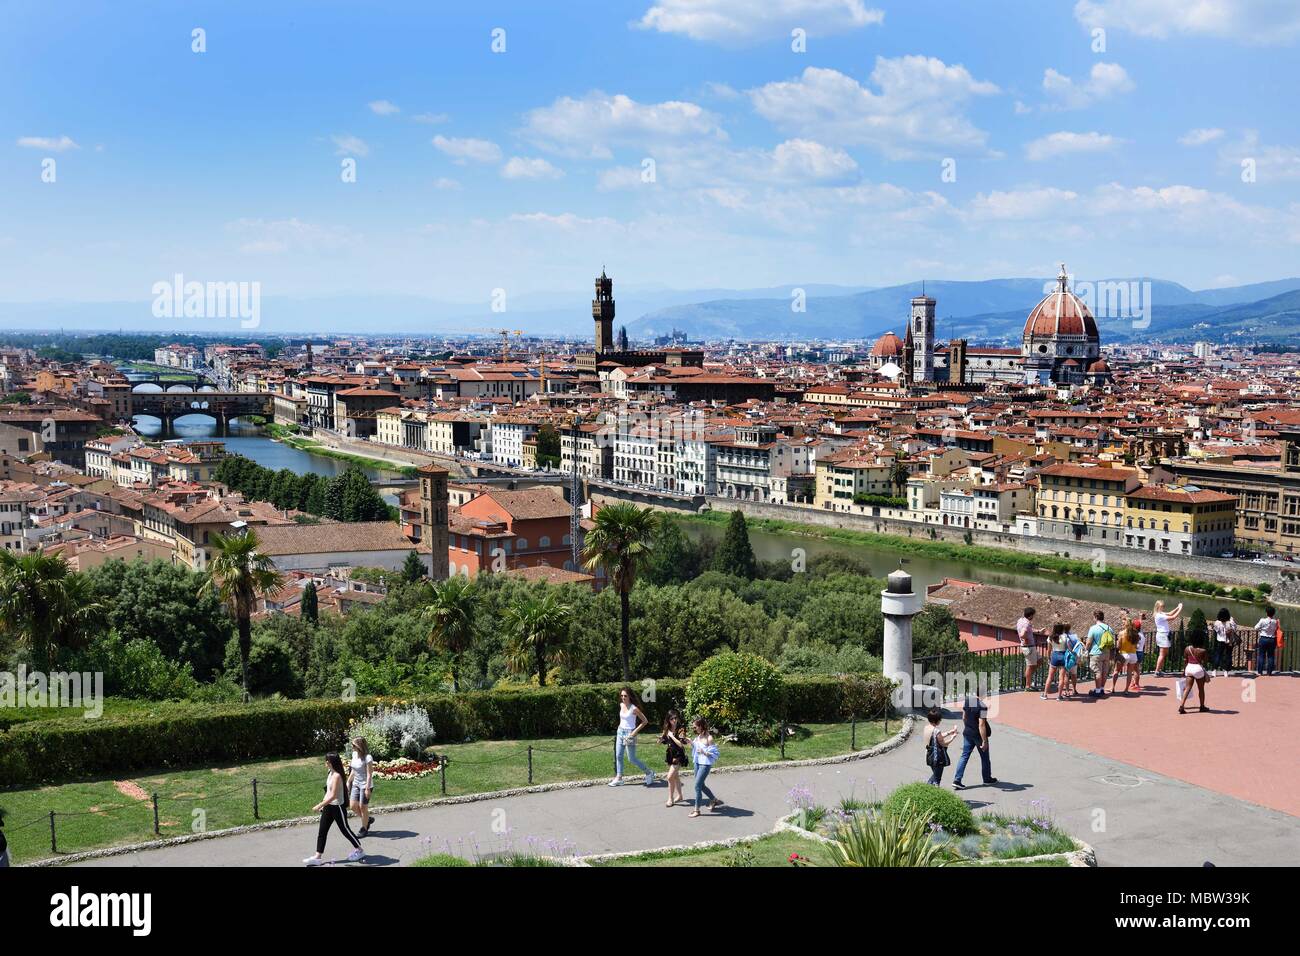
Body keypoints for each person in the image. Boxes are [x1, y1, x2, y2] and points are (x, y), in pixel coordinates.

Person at [304, 753, 364, 866]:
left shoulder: (337, 776)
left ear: (331, 762)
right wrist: (324, 805)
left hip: (337, 807)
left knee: (345, 830)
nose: (325, 762)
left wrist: (319, 805)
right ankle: (317, 857)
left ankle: (360, 850)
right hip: (328, 807)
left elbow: (334, 796)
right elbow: (328, 792)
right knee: (322, 831)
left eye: (327, 761)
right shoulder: (330, 773)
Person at [609, 687, 654, 787]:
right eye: (622, 696)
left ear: (629, 696)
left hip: (630, 734)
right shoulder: (621, 705)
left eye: (625, 696)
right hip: (620, 732)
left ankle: (649, 772)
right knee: (618, 756)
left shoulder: (634, 708)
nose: (623, 698)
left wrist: (634, 733)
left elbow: (645, 721)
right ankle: (619, 778)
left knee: (632, 759)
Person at [952, 694, 996, 790]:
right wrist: (984, 741)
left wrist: (968, 727)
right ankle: (987, 779)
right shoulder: (983, 707)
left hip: (967, 733)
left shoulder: (968, 701)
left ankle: (957, 780)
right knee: (984, 757)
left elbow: (964, 717)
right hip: (978, 736)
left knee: (964, 756)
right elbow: (981, 724)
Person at [688, 717, 722, 817]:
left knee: (697, 786)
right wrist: (690, 742)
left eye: (695, 726)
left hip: (705, 765)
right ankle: (714, 800)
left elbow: (715, 753)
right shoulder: (698, 736)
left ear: (701, 726)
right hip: (697, 763)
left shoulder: (709, 738)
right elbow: (696, 747)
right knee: (701, 785)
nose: (694, 728)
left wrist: (704, 752)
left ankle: (697, 810)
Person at [659, 709, 690, 807]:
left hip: (678, 755)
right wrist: (660, 740)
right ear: (668, 720)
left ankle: (670, 798)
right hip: (670, 755)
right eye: (672, 718)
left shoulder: (681, 729)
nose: (674, 720)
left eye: (675, 718)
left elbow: (681, 744)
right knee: (675, 776)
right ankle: (680, 796)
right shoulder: (667, 729)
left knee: (669, 777)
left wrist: (672, 736)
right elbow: (664, 740)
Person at [348, 736, 375, 837]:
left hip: (365, 785)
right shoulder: (354, 754)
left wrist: (367, 789)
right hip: (356, 783)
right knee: (353, 806)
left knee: (362, 807)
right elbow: (354, 770)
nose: (352, 747)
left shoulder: (367, 758)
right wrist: (348, 781)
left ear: (359, 746)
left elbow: (369, 774)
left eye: (354, 745)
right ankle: (367, 819)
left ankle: (364, 828)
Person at [1085, 610, 1116, 697]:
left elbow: (1088, 642)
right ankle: (1102, 688)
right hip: (1107, 652)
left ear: (1095, 617)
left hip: (1096, 653)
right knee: (1104, 672)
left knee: (1097, 672)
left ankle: (1098, 690)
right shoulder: (1109, 628)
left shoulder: (1093, 628)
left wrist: (1086, 650)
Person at [924, 708, 958, 785]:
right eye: (939, 719)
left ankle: (927, 789)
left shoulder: (927, 728)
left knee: (935, 776)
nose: (940, 721)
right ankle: (932, 792)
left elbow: (937, 737)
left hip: (929, 755)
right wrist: (952, 738)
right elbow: (944, 744)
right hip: (937, 757)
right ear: (936, 720)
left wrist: (949, 732)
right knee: (937, 779)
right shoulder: (936, 731)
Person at [1016, 607, 1047, 692]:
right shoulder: (1027, 623)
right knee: (1030, 666)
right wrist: (1025, 639)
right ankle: (1028, 685)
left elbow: (1028, 630)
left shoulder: (1020, 620)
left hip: (1029, 646)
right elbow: (1023, 634)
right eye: (1033, 615)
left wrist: (1038, 631)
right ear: (1030, 615)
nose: (1034, 616)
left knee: (1040, 660)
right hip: (1028, 647)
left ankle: (1028, 676)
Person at [1178, 639, 1210, 714]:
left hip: (1189, 668)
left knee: (1187, 688)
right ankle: (1202, 706)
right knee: (1201, 689)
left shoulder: (1187, 648)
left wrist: (1184, 670)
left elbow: (1185, 660)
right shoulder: (1203, 650)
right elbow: (1205, 661)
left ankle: (1181, 705)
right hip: (1198, 668)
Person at [1152, 600, 1183, 676]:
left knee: (1163, 654)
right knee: (1162, 654)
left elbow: (1170, 613)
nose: (1163, 607)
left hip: (1163, 635)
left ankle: (1159, 670)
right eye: (1162, 606)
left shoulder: (1159, 613)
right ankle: (1157, 671)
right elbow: (1173, 617)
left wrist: (1177, 607)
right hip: (1163, 635)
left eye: (1163, 606)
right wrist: (1180, 609)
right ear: (1158, 607)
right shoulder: (1160, 615)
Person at [1112, 616, 1141, 694]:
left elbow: (1119, 646)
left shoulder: (1122, 633)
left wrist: (1116, 652)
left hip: (1124, 654)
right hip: (1133, 655)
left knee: (1116, 671)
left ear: (1126, 624)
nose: (1122, 624)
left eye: (1123, 623)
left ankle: (1113, 688)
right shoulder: (1136, 634)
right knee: (1129, 673)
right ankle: (1126, 690)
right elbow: (1136, 645)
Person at [1042, 622, 1071, 700]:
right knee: (1061, 677)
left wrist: (1048, 658)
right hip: (1063, 656)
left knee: (1050, 676)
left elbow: (1049, 650)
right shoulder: (1065, 636)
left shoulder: (1051, 637)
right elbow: (1069, 648)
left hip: (1054, 655)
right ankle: (1059, 696)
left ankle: (1045, 694)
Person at [1253, 606, 1279, 676]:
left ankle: (1260, 672)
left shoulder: (1262, 620)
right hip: (1272, 639)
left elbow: (1256, 628)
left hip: (1263, 639)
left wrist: (1261, 629)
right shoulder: (1276, 621)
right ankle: (1269, 672)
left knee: (1261, 655)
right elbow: (1277, 629)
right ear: (1273, 613)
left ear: (1267, 613)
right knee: (1271, 656)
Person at [1211, 608, 1236, 676]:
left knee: (1218, 655)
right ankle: (1226, 671)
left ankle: (1214, 670)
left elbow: (1216, 630)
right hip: (1229, 641)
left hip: (1221, 640)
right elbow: (1234, 629)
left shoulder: (1218, 622)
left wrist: (1213, 626)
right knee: (1228, 655)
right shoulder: (1231, 621)